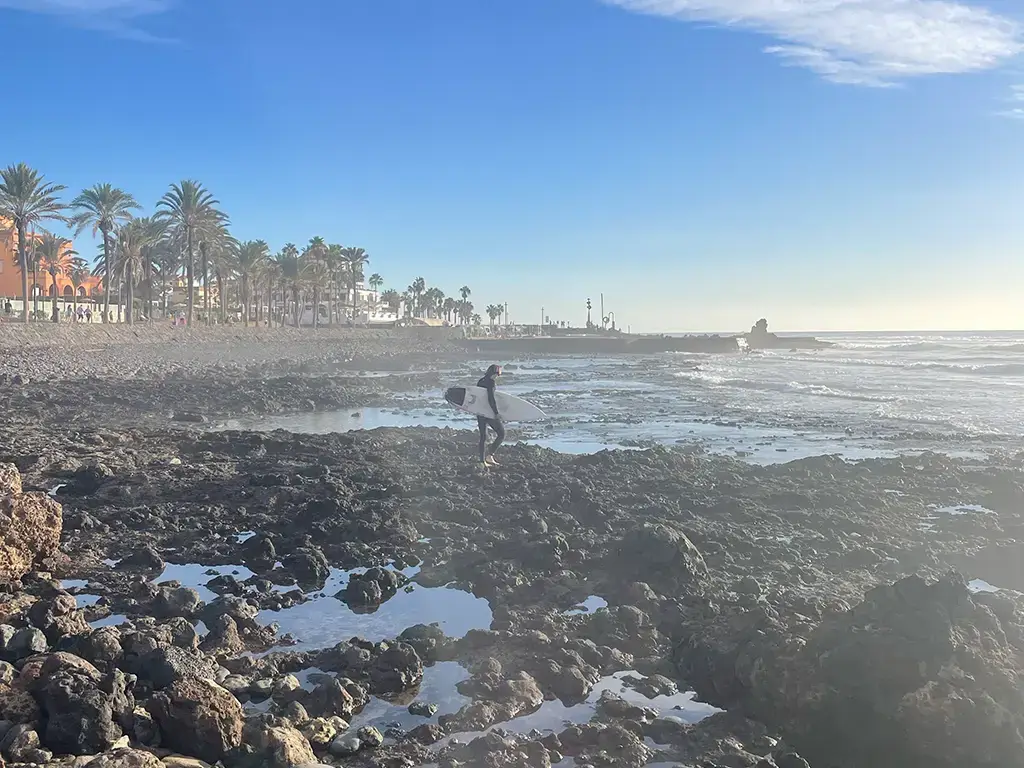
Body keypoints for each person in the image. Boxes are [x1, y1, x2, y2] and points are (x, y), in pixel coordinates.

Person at [476, 364, 505, 467]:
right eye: (498, 374)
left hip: (480, 412)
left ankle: (482, 461)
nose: (497, 377)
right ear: (494, 373)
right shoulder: (491, 383)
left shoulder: (481, 381)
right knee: (501, 434)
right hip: (489, 412)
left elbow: (477, 397)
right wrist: (496, 413)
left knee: (483, 436)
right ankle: (490, 455)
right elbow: (491, 399)